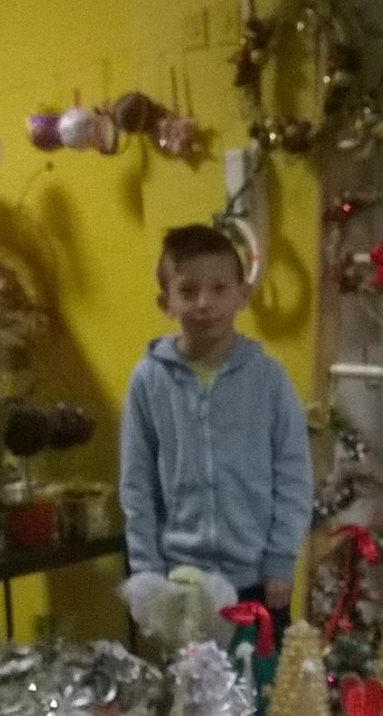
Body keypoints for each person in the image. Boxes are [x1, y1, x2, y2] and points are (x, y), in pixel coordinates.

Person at [119, 224, 311, 629]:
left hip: (258, 580)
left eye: (220, 288)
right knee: (190, 673)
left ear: (243, 295)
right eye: (188, 291)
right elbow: (137, 482)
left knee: (263, 671)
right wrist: (146, 570)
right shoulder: (149, 381)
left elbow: (293, 474)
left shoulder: (268, 379)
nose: (205, 303)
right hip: (181, 584)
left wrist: (281, 558)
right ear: (166, 302)